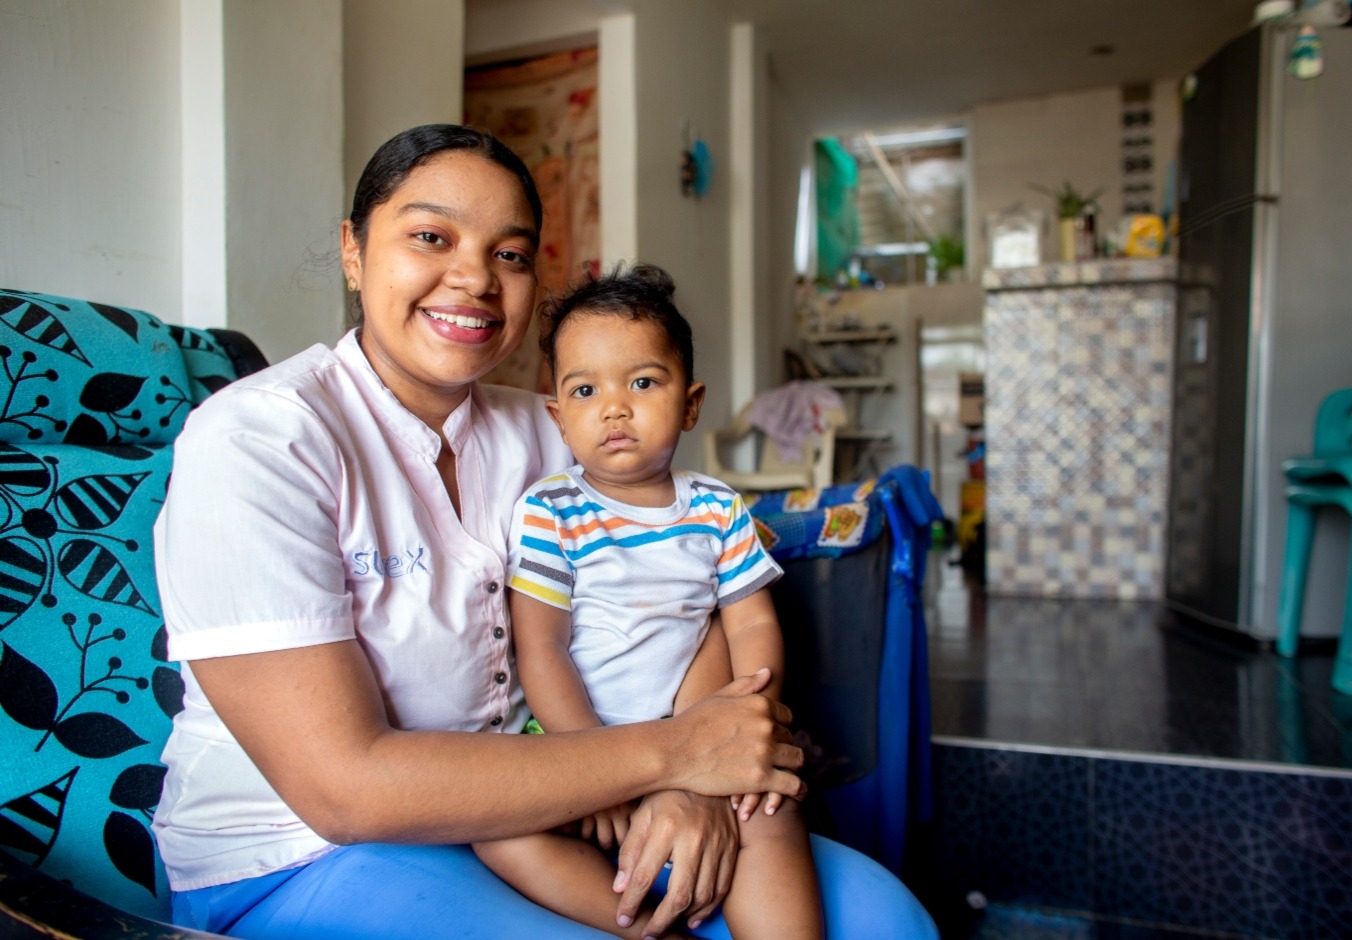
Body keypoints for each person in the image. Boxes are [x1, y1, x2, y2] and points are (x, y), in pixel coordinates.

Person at [151, 123, 939, 939]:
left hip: (560, 804)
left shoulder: (558, 430)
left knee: (886, 924)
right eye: (430, 237)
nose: (474, 279)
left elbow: (693, 589)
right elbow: (345, 789)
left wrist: (694, 780)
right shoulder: (260, 443)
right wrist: (670, 757)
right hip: (305, 854)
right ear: (353, 250)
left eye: (511, 255)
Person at [472, 264, 821, 939]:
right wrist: (591, 766)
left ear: (690, 404)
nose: (614, 406)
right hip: (580, 745)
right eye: (584, 388)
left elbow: (751, 623)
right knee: (500, 832)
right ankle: (641, 925)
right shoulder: (552, 510)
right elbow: (539, 646)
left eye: (642, 382)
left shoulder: (718, 508)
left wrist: (748, 717)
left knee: (771, 816)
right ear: (559, 417)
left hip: (697, 741)